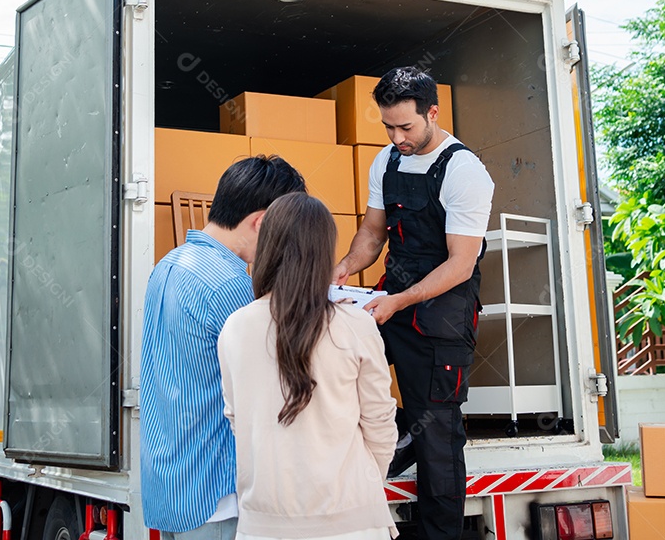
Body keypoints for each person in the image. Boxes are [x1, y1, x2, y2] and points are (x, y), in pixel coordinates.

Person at [333, 67, 495, 540]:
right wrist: (343, 269)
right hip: (393, 299)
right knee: (339, 360)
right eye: (388, 126)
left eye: (406, 127)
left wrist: (400, 300)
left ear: (432, 112)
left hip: (441, 315)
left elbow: (460, 263)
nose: (397, 137)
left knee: (438, 439)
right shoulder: (386, 161)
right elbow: (372, 233)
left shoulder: (464, 171)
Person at [141, 156, 306, 540]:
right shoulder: (230, 285)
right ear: (261, 222)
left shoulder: (168, 265)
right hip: (217, 493)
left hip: (176, 489)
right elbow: (272, 383)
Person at [218, 192, 397, 540]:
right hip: (352, 523)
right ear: (324, 253)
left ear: (267, 247)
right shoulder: (356, 325)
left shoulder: (236, 327)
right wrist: (358, 485)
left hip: (264, 525)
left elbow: (237, 419)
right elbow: (380, 424)